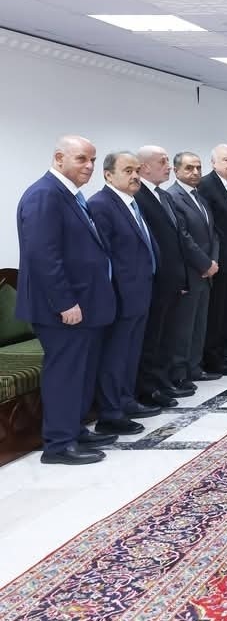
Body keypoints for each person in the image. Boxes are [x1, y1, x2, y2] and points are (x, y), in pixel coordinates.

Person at [16, 135, 116, 464]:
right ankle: (59, 444)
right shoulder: (44, 194)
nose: (89, 166)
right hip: (60, 308)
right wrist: (63, 302)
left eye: (92, 160)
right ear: (59, 158)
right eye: (81, 159)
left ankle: (73, 429)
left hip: (83, 304)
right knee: (65, 373)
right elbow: (43, 256)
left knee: (81, 372)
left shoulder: (69, 195)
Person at [86, 151, 158, 440]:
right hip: (120, 295)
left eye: (137, 170)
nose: (135, 176)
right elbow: (103, 256)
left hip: (140, 292)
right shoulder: (101, 205)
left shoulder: (131, 203)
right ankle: (110, 413)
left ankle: (126, 400)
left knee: (130, 354)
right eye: (128, 171)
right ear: (108, 175)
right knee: (115, 356)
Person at [134, 145, 196, 405]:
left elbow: (176, 237)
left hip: (171, 278)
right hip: (155, 280)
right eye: (162, 161)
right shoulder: (138, 196)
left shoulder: (163, 196)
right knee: (152, 339)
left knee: (166, 336)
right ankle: (149, 388)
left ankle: (162, 381)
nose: (168, 166)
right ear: (145, 167)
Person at [168, 151, 220, 385]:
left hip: (207, 271)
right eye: (189, 168)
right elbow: (183, 237)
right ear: (176, 170)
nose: (195, 172)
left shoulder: (199, 196)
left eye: (198, 167)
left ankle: (195, 367)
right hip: (190, 272)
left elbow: (213, 233)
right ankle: (180, 373)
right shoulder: (173, 197)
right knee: (183, 327)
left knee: (199, 325)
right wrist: (205, 263)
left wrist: (213, 262)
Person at [198, 145, 227, 377]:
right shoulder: (207, 185)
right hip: (220, 260)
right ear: (213, 162)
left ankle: (226, 351)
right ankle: (213, 357)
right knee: (216, 313)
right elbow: (211, 226)